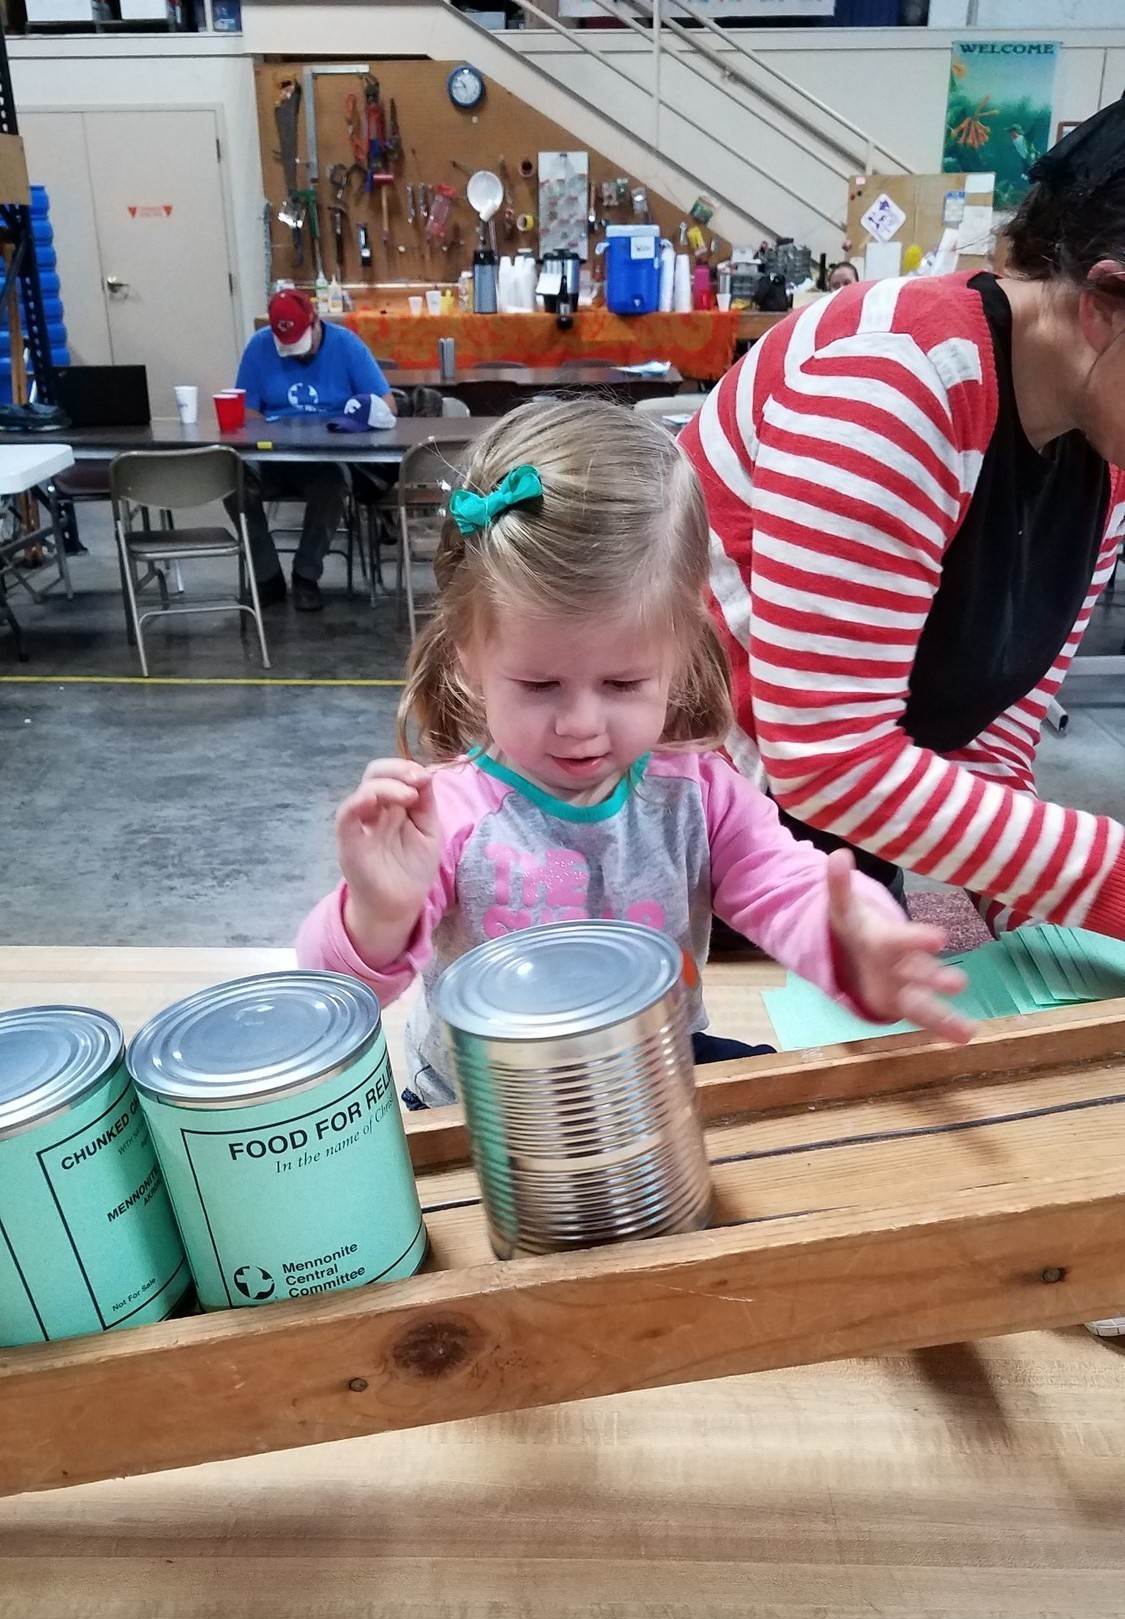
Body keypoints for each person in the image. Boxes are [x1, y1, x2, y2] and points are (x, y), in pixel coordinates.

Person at [296, 402, 969, 1108]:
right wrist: (375, 912)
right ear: (467, 660)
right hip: (485, 1115)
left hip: (651, 1076)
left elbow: (783, 883)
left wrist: (850, 941)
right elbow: (336, 996)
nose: (580, 725)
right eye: (538, 684)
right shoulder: (448, 820)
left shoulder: (700, 794)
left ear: (678, 657)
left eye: (622, 683)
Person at [682, 98, 1125, 942]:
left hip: (832, 851)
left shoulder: (1101, 456)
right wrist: (1104, 880)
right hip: (684, 844)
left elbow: (991, 733)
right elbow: (828, 760)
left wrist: (1037, 936)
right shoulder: (895, 383)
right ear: (1103, 301)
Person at [233, 289, 396, 613]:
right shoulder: (259, 347)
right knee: (230, 482)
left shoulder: (346, 345)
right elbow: (247, 412)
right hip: (272, 457)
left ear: (315, 322)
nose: (296, 355)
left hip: (325, 458)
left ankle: (306, 574)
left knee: (332, 483)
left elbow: (387, 404)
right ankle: (267, 575)